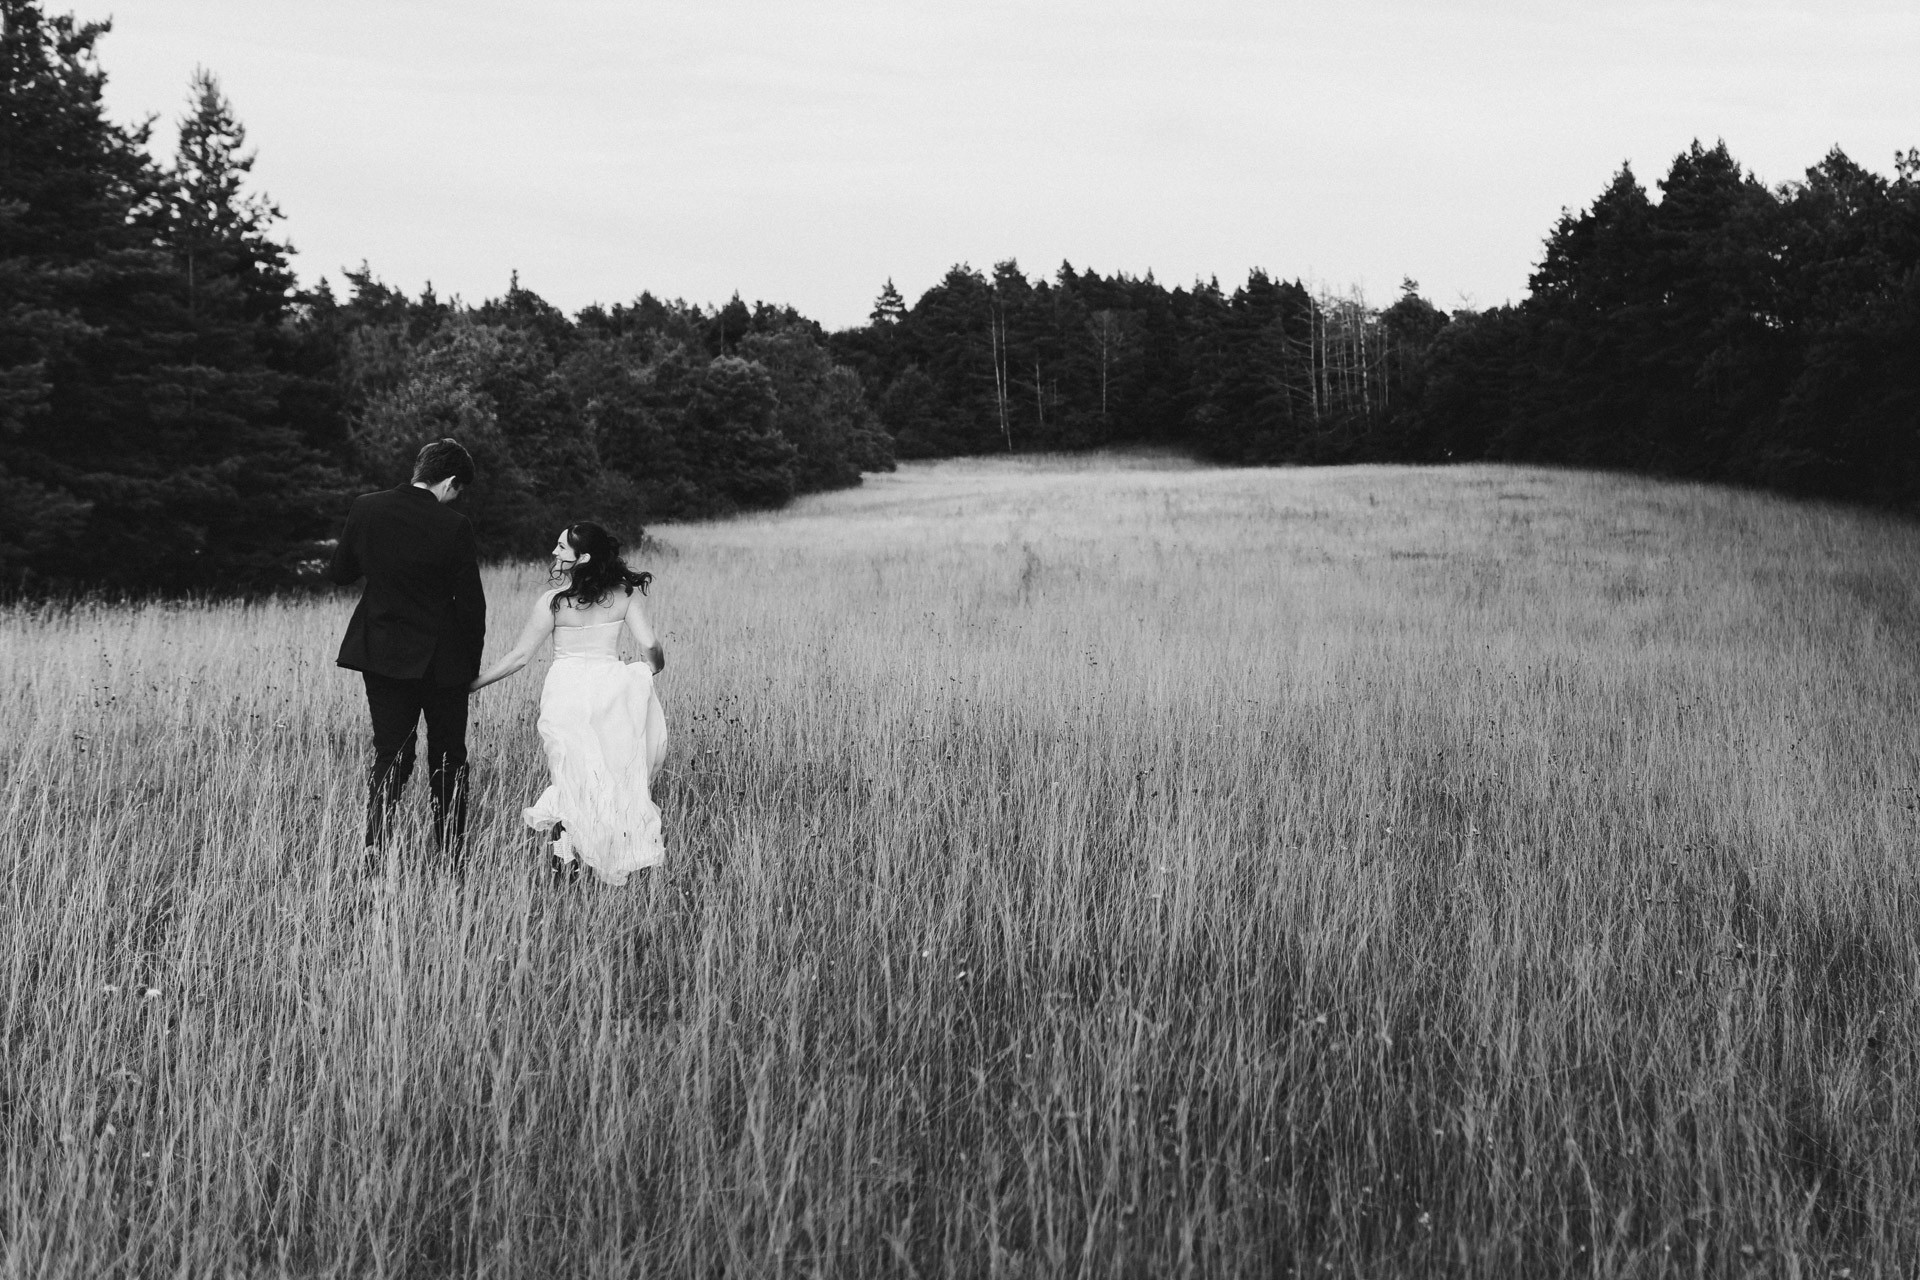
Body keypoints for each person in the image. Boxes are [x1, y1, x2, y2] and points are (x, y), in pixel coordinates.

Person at [470, 521, 668, 886]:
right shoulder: (625, 595)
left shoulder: (555, 602)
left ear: (584, 558)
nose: (554, 551)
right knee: (607, 774)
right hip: (610, 693)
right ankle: (600, 849)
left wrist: (473, 685)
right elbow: (650, 645)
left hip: (566, 694)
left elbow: (520, 656)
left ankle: (566, 853)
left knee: (569, 773)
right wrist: (649, 671)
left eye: (562, 547)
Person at [327, 438, 486, 867]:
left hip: (381, 654)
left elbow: (340, 573)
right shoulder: (454, 526)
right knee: (449, 758)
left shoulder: (366, 508)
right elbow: (471, 605)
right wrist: (469, 666)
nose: (456, 498)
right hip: (443, 662)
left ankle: (375, 849)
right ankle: (451, 856)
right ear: (450, 482)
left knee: (392, 754)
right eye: (458, 490)